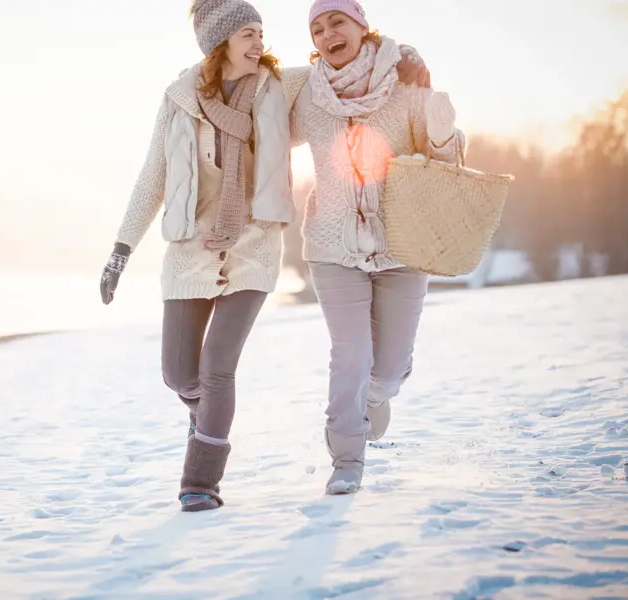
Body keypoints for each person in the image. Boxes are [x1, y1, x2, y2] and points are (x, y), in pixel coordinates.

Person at [99, 0, 431, 512]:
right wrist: (121, 249)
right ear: (219, 43)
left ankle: (200, 483)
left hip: (254, 247)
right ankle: (201, 412)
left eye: (260, 32)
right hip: (190, 248)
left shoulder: (284, 86)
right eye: (248, 34)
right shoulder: (179, 99)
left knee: (217, 369)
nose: (260, 42)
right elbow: (153, 176)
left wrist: (405, 53)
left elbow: (347, 69)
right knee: (179, 375)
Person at [291, 0, 466, 495]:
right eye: (318, 28)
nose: (328, 34)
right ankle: (346, 461)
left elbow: (445, 161)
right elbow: (257, 102)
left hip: (402, 245)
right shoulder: (307, 91)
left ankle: (380, 391)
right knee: (350, 355)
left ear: (363, 27)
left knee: (384, 370)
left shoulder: (406, 81)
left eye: (338, 22)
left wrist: (442, 128)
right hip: (332, 246)